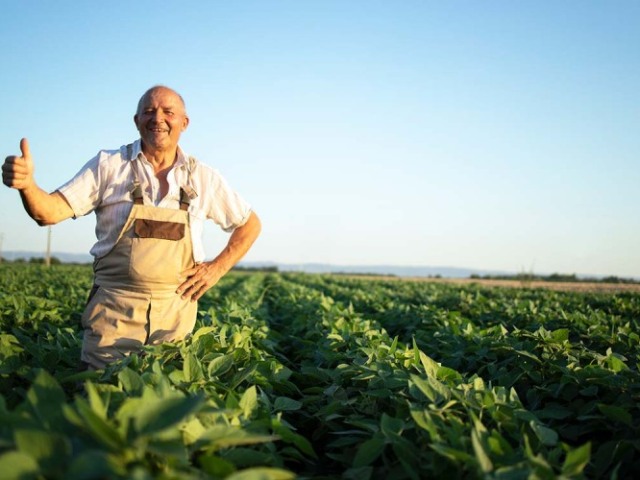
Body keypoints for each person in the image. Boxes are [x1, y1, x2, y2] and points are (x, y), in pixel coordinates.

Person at [2, 85, 262, 369]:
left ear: (184, 123)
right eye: (148, 111)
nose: (158, 118)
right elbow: (48, 213)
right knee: (103, 401)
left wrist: (217, 268)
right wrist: (27, 186)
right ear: (137, 121)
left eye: (168, 112)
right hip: (113, 319)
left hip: (175, 322)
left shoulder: (203, 177)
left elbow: (249, 224)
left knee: (166, 404)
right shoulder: (109, 166)